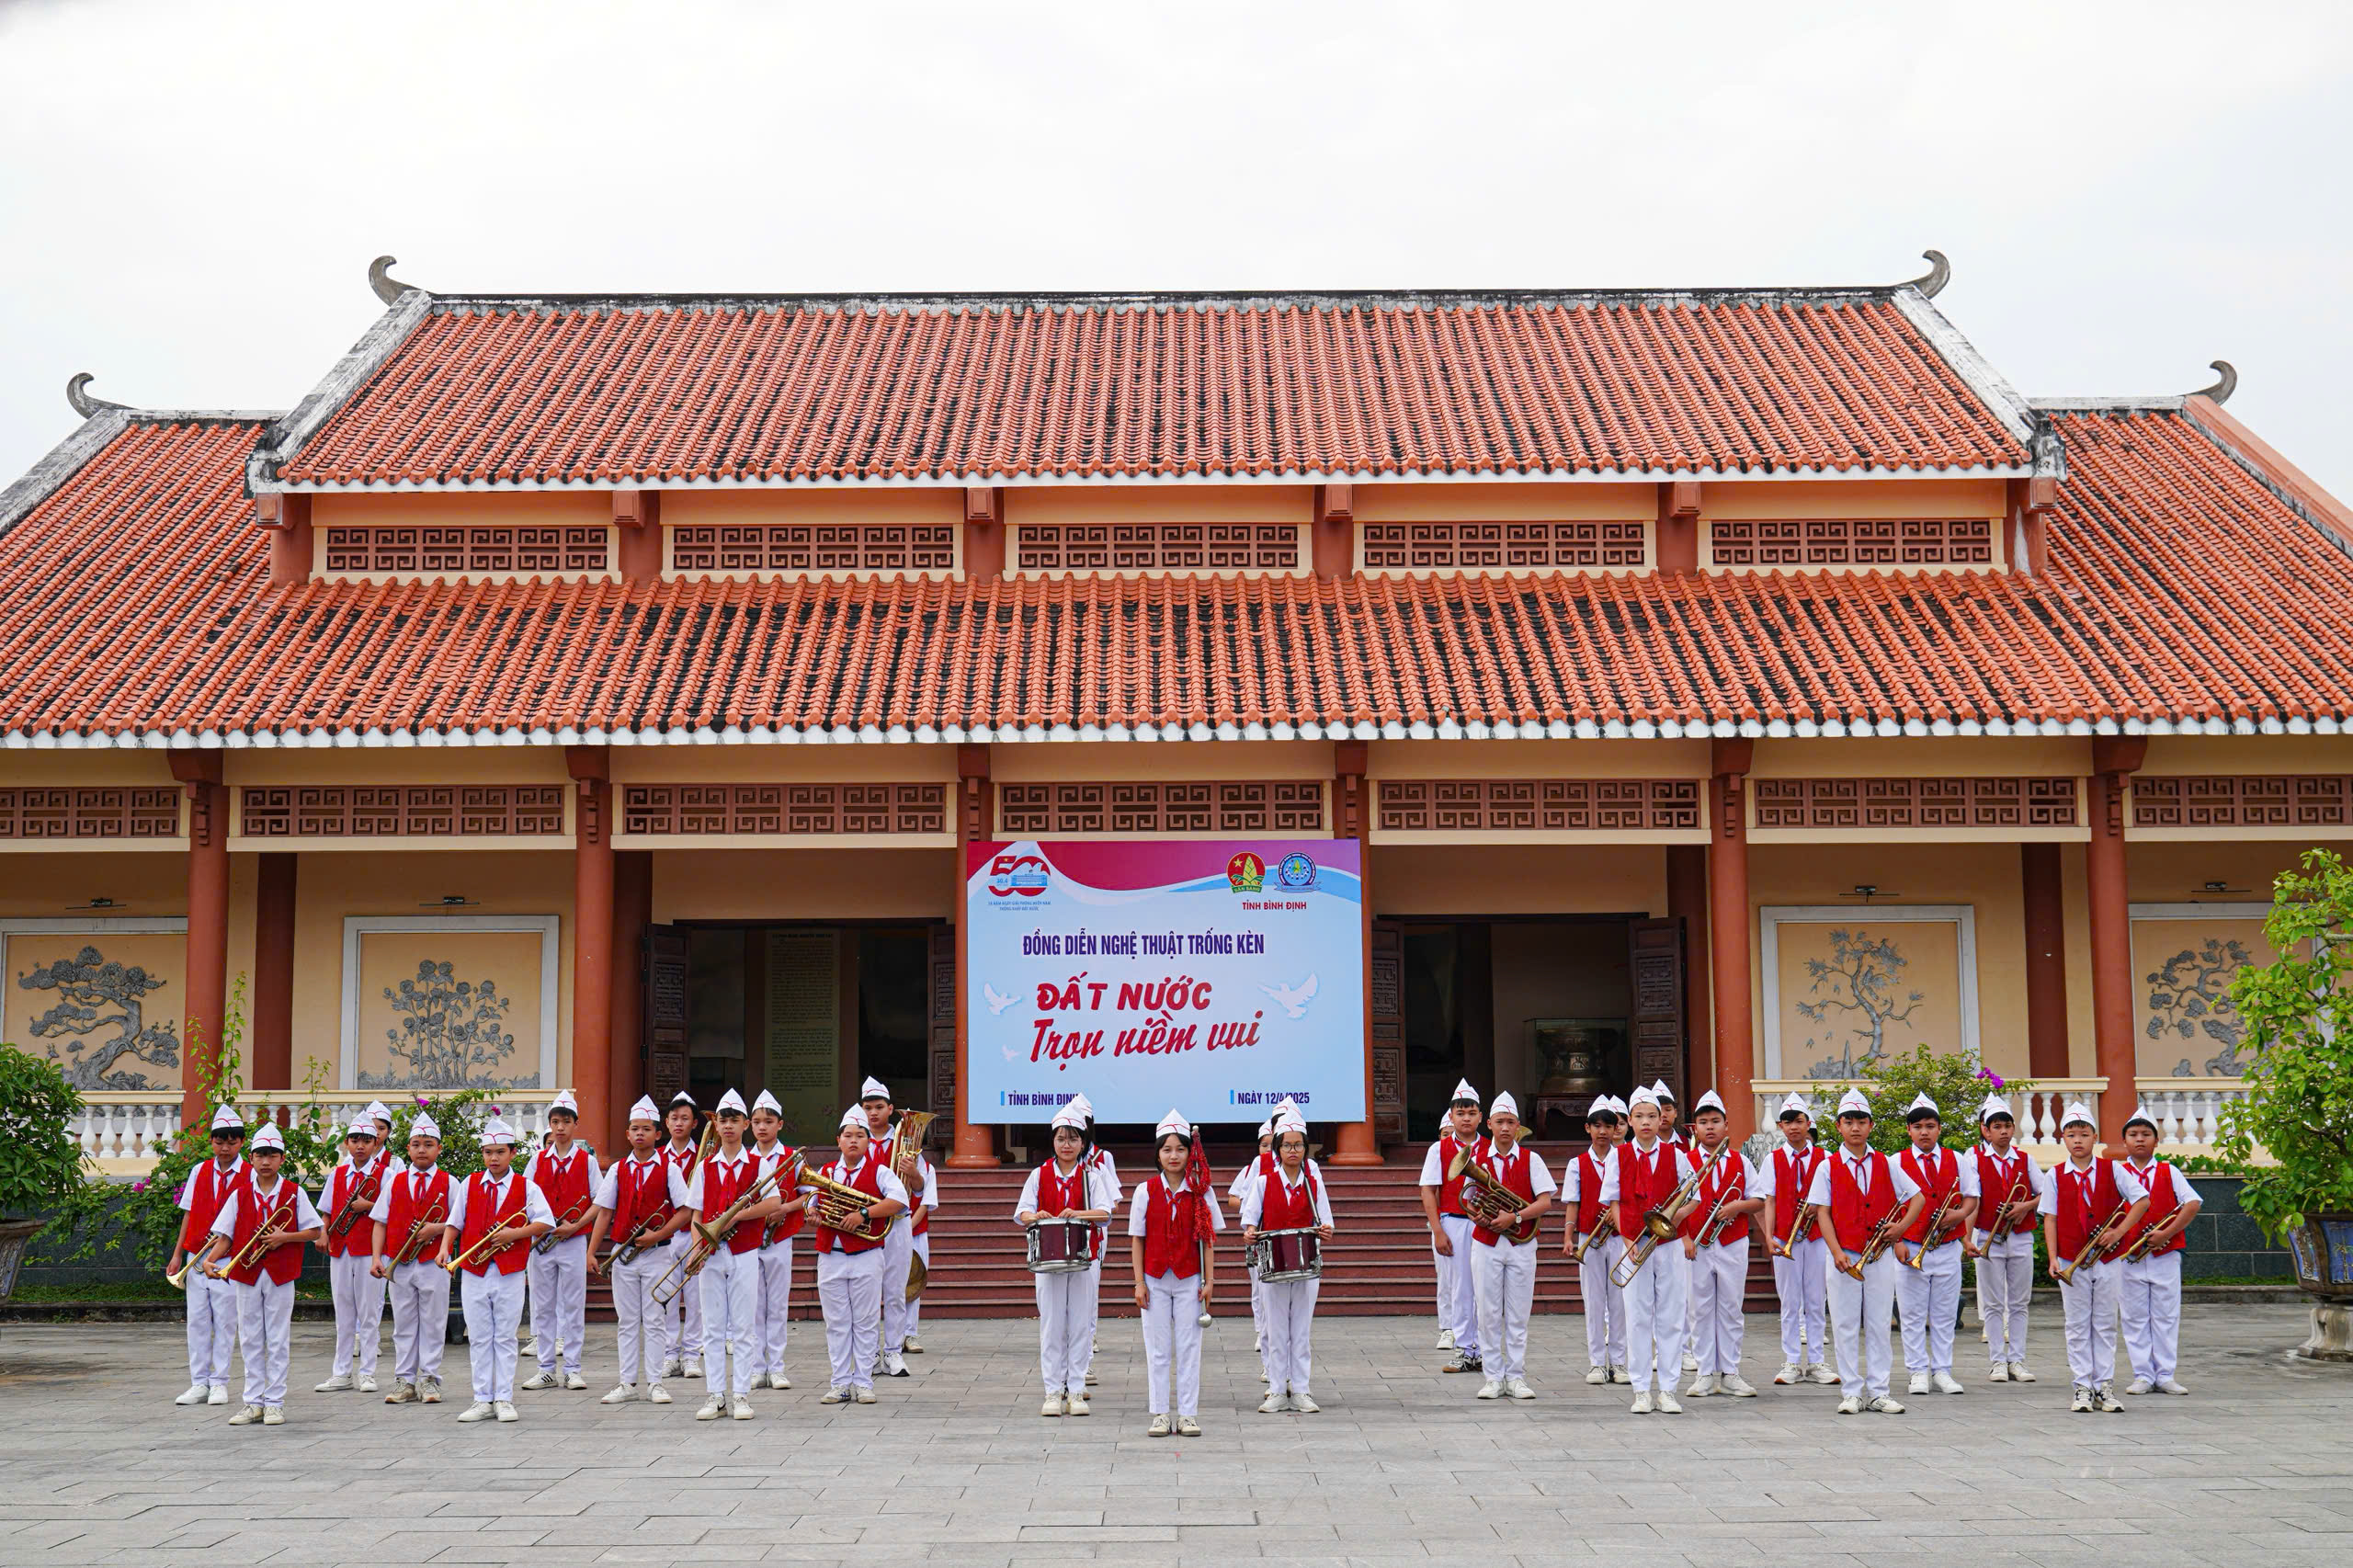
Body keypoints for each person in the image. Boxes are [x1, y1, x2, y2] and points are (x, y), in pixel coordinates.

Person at [1806, 1088, 1927, 1415]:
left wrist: (1901, 1229)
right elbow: (1822, 1213)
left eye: (1861, 1121)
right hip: (1844, 1256)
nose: (1855, 1127)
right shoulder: (1828, 1167)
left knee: (1878, 1324)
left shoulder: (1886, 1163)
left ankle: (1878, 1390)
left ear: (1871, 1126)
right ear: (1838, 1126)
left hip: (1879, 1257)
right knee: (1844, 1324)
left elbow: (1917, 1198)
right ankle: (1851, 1392)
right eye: (1849, 1121)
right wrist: (1835, 1252)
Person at [196, 1122, 321, 1426]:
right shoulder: (239, 1194)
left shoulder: (294, 1192)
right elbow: (224, 1235)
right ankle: (253, 1401)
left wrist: (284, 1238)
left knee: (277, 1338)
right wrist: (210, 1261)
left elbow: (315, 1231)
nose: (266, 1161)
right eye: (260, 1155)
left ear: (282, 1159)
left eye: (272, 1155)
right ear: (251, 1158)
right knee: (250, 1337)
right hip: (246, 1273)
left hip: (280, 1273)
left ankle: (275, 1401)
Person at [671, 1088, 785, 1420]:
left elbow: (774, 1203)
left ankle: (741, 1395)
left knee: (743, 1326)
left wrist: (736, 1215)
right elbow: (696, 1213)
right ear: (717, 1126)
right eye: (724, 1121)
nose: (729, 1126)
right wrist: (696, 1249)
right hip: (711, 1253)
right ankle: (715, 1394)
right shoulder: (705, 1166)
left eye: (735, 1120)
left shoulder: (758, 1163)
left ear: (746, 1124)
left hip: (745, 1251)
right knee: (713, 1327)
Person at [438, 1117, 554, 1423]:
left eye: (500, 1152)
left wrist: (513, 1235)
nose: (493, 1158)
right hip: (474, 1270)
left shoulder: (526, 1186)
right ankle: (481, 1399)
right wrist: (444, 1250)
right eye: (488, 1152)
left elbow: (546, 1222)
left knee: (504, 1336)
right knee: (478, 1336)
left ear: (513, 1153)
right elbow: (455, 1222)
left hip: (510, 1270)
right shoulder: (470, 1183)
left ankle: (503, 1397)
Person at [2045, 1100, 2151, 1413]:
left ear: (2095, 1137)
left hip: (2107, 1259)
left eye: (2083, 1134)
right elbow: (2049, 1218)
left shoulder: (2113, 1168)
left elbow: (2141, 1200)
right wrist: (2053, 1257)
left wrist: (2118, 1233)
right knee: (2077, 1324)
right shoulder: (2055, 1175)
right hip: (2069, 1258)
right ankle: (2081, 1386)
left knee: (2104, 1322)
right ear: (2063, 1139)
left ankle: (2104, 1385)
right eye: (2071, 1135)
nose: (2078, 1140)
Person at [1016, 1099, 1119, 1417]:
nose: (1067, 1145)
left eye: (1073, 1138)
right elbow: (1021, 1213)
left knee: (1079, 1324)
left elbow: (1105, 1213)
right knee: (1051, 1324)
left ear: (1083, 1142)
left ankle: (1075, 1390)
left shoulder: (1092, 1176)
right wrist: (1037, 1215)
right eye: (1061, 1138)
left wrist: (1079, 1212)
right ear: (1053, 1141)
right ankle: (1052, 1390)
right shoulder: (1039, 1174)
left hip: (1083, 1257)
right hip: (1048, 1260)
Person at [801, 1105, 910, 1405]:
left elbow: (900, 1201)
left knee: (865, 1320)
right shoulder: (824, 1172)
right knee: (836, 1323)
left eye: (859, 1136)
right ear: (838, 1140)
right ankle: (839, 1382)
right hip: (831, 1255)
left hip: (866, 1254)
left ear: (867, 1142)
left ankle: (863, 1382)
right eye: (848, 1135)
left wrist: (864, 1213)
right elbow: (813, 1199)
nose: (853, 1141)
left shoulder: (881, 1171)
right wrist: (811, 1212)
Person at [586, 1096, 690, 1405]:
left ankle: (655, 1382)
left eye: (646, 1129)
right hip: (624, 1254)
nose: (640, 1134)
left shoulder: (670, 1168)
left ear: (658, 1134)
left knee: (656, 1318)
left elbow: (685, 1211)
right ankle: (627, 1382)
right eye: (635, 1129)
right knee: (627, 1320)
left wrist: (657, 1233)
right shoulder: (618, 1169)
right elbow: (604, 1211)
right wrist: (593, 1252)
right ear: (628, 1134)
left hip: (658, 1253)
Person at [1601, 1085, 1698, 1413]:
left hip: (1668, 1245)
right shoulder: (1619, 1155)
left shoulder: (1677, 1155)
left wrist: (1674, 1218)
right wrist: (1628, 1241)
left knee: (1671, 1316)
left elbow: (1694, 1196)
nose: (1645, 1122)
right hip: (1634, 1246)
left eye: (1652, 1116)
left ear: (1662, 1120)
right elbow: (1613, 1202)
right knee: (1637, 1317)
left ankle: (1668, 1390)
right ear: (1627, 1121)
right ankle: (1642, 1389)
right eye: (1639, 1116)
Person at [1129, 1108, 1221, 1437]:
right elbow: (1137, 1239)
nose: (1174, 1155)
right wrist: (1139, 1282)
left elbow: (1208, 1240)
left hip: (1190, 1280)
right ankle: (1160, 1413)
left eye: (1180, 1149)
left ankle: (1188, 1413)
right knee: (1157, 1347)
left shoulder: (1201, 1191)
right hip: (1154, 1277)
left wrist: (1210, 1281)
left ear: (1189, 1152)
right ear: (1157, 1154)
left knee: (1189, 1346)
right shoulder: (1145, 1191)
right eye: (1167, 1149)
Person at [1243, 1105, 1336, 1414]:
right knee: (1276, 1327)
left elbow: (1325, 1220)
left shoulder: (1313, 1181)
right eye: (1286, 1145)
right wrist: (1250, 1232)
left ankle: (1301, 1390)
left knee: (1301, 1328)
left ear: (1305, 1149)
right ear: (1278, 1149)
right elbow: (1250, 1220)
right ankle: (1275, 1389)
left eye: (1298, 1145)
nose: (1292, 1150)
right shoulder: (1263, 1181)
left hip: (1307, 1263)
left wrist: (1325, 1230)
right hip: (1273, 1265)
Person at [1464, 1091, 1553, 1404]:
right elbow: (1468, 1199)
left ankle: (1516, 1376)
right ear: (1489, 1124)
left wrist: (1514, 1216)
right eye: (1499, 1122)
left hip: (1521, 1244)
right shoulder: (1476, 1159)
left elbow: (1545, 1201)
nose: (1504, 1128)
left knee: (1518, 1313)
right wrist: (1478, 1214)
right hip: (1486, 1243)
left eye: (1510, 1122)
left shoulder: (1532, 1159)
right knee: (1487, 1312)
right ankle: (1492, 1377)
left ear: (1518, 1126)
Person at [1892, 1094, 1978, 1396]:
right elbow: (1888, 1206)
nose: (1924, 1132)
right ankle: (1917, 1371)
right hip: (1911, 1247)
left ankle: (1942, 1370)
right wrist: (1898, 1240)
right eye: (1918, 1127)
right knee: (1912, 1313)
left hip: (1948, 1247)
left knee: (1944, 1313)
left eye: (1930, 1126)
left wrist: (1961, 1213)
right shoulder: (1894, 1162)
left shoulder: (1958, 1160)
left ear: (1939, 1128)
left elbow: (1971, 1196)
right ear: (1909, 1131)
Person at [1682, 1090, 1765, 1398]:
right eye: (1703, 1122)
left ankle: (1731, 1372)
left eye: (1715, 1121)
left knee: (1731, 1308)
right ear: (1695, 1128)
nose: (1710, 1127)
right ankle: (1705, 1372)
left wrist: (1737, 1207)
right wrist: (1686, 1238)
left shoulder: (1742, 1161)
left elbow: (1758, 1199)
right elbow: (1673, 1206)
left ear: (1726, 1125)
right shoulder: (1685, 1161)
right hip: (1695, 1247)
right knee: (1699, 1309)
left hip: (1732, 1242)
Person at [369, 1111, 455, 1405]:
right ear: (408, 1148)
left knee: (433, 1321)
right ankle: (404, 1378)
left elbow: (461, 1223)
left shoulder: (450, 1182)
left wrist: (436, 1228)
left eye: (428, 1144)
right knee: (403, 1323)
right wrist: (376, 1258)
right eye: (416, 1144)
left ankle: (430, 1377)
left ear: (438, 1149)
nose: (422, 1149)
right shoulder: (394, 1181)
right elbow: (380, 1221)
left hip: (434, 1262)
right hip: (400, 1262)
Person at [2118, 1105, 2201, 1397]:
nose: (2139, 1139)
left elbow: (2192, 1203)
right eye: (2133, 1135)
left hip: (2165, 1254)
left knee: (2166, 1315)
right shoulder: (2116, 1171)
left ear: (2156, 1141)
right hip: (2127, 1256)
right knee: (2134, 1315)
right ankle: (2142, 1374)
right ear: (2125, 1141)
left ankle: (2165, 1374)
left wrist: (2167, 1232)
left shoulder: (2170, 1171)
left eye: (2145, 1134)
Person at [520, 1089, 600, 1392]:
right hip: (542, 1243)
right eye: (555, 1122)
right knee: (542, 1305)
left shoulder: (587, 1161)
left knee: (572, 1304)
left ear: (575, 1124)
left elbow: (598, 1200)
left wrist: (577, 1224)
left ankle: (573, 1368)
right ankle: (544, 1368)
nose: (560, 1128)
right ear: (550, 1125)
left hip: (573, 1241)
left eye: (566, 1122)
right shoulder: (537, 1159)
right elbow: (523, 1198)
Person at [1964, 1093, 2047, 1384]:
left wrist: (2025, 1206)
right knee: (1994, 1304)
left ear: (2013, 1129)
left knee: (2020, 1302)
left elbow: (2047, 1193)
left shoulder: (2025, 1159)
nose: (2002, 1131)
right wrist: (1967, 1238)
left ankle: (2018, 1360)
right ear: (1985, 1130)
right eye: (1996, 1126)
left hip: (2020, 1237)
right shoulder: (1973, 1158)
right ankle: (1998, 1361)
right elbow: (1971, 1199)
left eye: (2006, 1126)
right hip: (1988, 1236)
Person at [170, 1106, 249, 1407]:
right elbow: (189, 1214)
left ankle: (219, 1382)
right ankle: (198, 1382)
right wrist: (178, 1255)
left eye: (231, 1142)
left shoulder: (250, 1173)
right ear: (212, 1142)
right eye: (219, 1141)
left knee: (226, 1321)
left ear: (241, 1143)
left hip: (228, 1259)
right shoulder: (199, 1171)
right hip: (196, 1254)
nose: (225, 1148)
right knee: (197, 1321)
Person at [1758, 1092, 1835, 1386]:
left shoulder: (1825, 1157)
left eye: (1798, 1122)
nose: (1793, 1127)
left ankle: (1816, 1361)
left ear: (1807, 1123)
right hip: (1784, 1237)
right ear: (1780, 1126)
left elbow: (1833, 1198)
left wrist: (1819, 1206)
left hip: (1816, 1238)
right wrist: (1769, 1237)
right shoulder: (1772, 1159)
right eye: (1787, 1122)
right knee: (1790, 1302)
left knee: (1816, 1300)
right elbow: (1770, 1202)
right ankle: (1791, 1361)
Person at [315, 1118, 390, 1394]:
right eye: (355, 1140)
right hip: (340, 1248)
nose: (360, 1146)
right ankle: (341, 1372)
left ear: (375, 1144)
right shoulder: (337, 1174)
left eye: (366, 1141)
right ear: (346, 1143)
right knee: (343, 1313)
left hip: (372, 1252)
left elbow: (393, 1209)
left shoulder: (387, 1174)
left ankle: (367, 1372)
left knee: (369, 1312)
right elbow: (326, 1211)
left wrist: (367, 1204)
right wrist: (323, 1233)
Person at [1418, 1080, 1485, 1373]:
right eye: (1461, 1113)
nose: (1466, 1118)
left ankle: (1485, 1348)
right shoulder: (1439, 1149)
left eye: (1471, 1113)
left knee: (1487, 1288)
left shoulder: (1492, 1145)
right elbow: (1428, 1190)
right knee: (1460, 1288)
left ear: (1480, 1116)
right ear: (1451, 1116)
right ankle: (1463, 1347)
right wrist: (1438, 1230)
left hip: (1487, 1224)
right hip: (1454, 1221)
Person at [1558, 1094, 1625, 1384]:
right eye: (1596, 1126)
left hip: (1620, 1237)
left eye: (1607, 1126)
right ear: (1587, 1128)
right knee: (1594, 1302)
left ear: (1615, 1129)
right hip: (1590, 1236)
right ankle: (1597, 1363)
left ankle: (1620, 1363)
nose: (1602, 1131)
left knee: (1621, 1302)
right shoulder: (1577, 1163)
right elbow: (1572, 1201)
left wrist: (1618, 1212)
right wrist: (1568, 1236)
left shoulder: (1625, 1158)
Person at [746, 1090, 808, 1389]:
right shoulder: (745, 1158)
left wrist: (785, 1207)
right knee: (754, 1305)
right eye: (757, 1122)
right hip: (749, 1238)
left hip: (781, 1238)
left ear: (780, 1125)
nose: (762, 1127)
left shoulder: (792, 1157)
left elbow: (811, 1196)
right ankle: (757, 1367)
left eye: (768, 1121)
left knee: (778, 1305)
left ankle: (778, 1367)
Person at [859, 1078, 918, 1379]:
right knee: (867, 1293)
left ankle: (894, 1352)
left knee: (895, 1291)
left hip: (897, 1222)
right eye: (867, 1107)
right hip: (867, 1223)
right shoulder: (855, 1138)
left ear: (890, 1109)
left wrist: (914, 1172)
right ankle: (869, 1354)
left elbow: (918, 1189)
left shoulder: (905, 1140)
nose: (873, 1113)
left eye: (879, 1107)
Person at [658, 1091, 707, 1381]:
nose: (679, 1123)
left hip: (692, 1234)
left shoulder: (704, 1155)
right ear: (666, 1122)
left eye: (684, 1118)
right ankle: (669, 1354)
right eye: (674, 1118)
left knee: (694, 1297)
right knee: (666, 1297)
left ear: (694, 1123)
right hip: (665, 1234)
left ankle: (691, 1355)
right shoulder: (658, 1157)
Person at [1229, 1117, 1276, 1364]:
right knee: (1258, 1287)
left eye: (1271, 1144)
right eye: (1263, 1145)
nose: (1267, 1149)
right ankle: (1261, 1330)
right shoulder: (1255, 1166)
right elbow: (1237, 1198)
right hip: (1258, 1232)